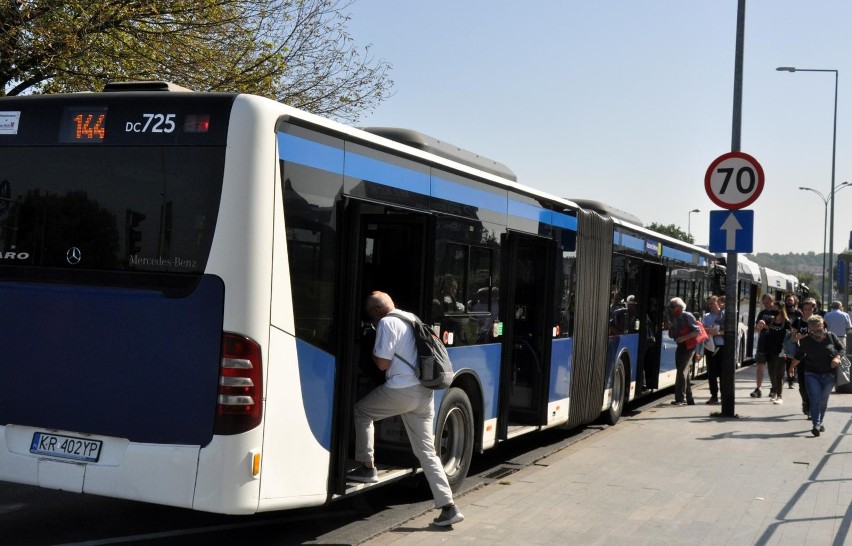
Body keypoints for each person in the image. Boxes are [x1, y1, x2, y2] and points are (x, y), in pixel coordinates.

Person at [349, 291, 464, 527]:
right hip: (424, 391)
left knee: (362, 412)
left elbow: (382, 363)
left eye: (371, 315)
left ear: (375, 311)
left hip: (402, 389)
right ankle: (448, 507)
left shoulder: (386, 323)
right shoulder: (410, 318)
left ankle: (367, 467)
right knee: (427, 452)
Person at [788, 314, 845, 436]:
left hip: (829, 374)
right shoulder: (806, 340)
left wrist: (837, 357)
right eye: (814, 330)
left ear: (823, 326)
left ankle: (820, 421)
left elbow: (841, 349)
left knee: (823, 400)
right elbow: (799, 355)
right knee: (815, 399)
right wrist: (792, 367)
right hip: (811, 374)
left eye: (819, 329)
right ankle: (816, 424)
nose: (817, 332)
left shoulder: (831, 336)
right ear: (809, 329)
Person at [666, 297, 699, 406]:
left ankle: (680, 399)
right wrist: (670, 328)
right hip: (680, 346)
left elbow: (696, 331)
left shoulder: (687, 316)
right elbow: (673, 336)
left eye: (673, 307)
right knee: (684, 372)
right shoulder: (674, 318)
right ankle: (689, 399)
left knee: (681, 371)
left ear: (679, 307)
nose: (671, 309)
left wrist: (684, 338)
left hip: (689, 347)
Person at [790, 297, 818, 418]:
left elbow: (824, 337)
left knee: (813, 383)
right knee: (802, 384)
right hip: (801, 356)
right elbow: (792, 339)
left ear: (814, 309)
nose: (807, 311)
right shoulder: (798, 322)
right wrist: (799, 337)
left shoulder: (818, 322)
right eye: (805, 309)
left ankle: (811, 408)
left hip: (815, 356)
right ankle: (805, 402)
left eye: (810, 309)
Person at [763, 305, 791, 404]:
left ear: (781, 310)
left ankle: (779, 396)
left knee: (779, 374)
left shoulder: (787, 323)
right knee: (771, 373)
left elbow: (789, 336)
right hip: (769, 350)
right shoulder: (770, 320)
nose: (773, 310)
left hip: (781, 351)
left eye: (775, 308)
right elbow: (760, 327)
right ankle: (774, 390)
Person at [751, 294, 778, 398]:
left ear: (772, 301)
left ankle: (774, 388)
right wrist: (759, 325)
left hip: (774, 344)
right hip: (762, 342)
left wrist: (765, 326)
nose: (766, 305)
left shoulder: (777, 313)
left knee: (773, 368)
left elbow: (779, 328)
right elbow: (757, 327)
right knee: (760, 366)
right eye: (764, 303)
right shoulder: (762, 313)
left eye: (767, 303)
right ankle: (758, 388)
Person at [702, 296, 725, 405]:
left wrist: (719, 333)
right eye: (709, 304)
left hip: (721, 347)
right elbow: (702, 330)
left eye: (712, 303)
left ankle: (724, 396)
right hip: (710, 347)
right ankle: (714, 396)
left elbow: (730, 330)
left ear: (718, 303)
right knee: (711, 373)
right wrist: (709, 330)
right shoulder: (706, 316)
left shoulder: (724, 315)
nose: (710, 305)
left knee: (722, 373)